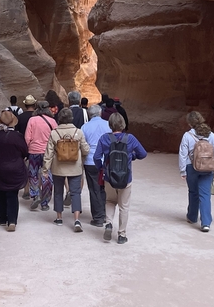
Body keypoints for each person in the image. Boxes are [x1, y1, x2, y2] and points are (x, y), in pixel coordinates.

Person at [93, 112, 147, 244]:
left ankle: (109, 223)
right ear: (123, 124)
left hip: (109, 177)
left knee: (110, 201)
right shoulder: (131, 138)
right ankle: (122, 235)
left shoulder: (104, 138)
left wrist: (102, 168)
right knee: (124, 206)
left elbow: (96, 157)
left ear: (110, 125)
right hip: (125, 178)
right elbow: (143, 154)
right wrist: (131, 157)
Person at [43, 108, 90, 232]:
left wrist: (45, 169)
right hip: (75, 167)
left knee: (58, 192)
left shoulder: (54, 133)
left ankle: (59, 217)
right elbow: (85, 149)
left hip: (58, 168)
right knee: (75, 193)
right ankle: (76, 219)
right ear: (71, 118)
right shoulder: (78, 132)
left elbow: (49, 153)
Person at [179, 111, 214, 233]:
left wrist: (182, 170)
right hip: (207, 167)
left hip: (191, 167)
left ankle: (192, 217)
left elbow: (183, 154)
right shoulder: (210, 135)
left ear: (189, 123)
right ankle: (206, 222)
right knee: (205, 194)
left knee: (193, 192)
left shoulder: (187, 135)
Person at [24, 100, 57, 211]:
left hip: (34, 151)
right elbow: (56, 137)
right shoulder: (52, 121)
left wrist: (27, 149)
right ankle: (45, 202)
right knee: (47, 176)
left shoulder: (32, 120)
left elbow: (27, 137)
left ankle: (35, 194)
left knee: (33, 174)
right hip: (48, 153)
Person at [81, 104, 110, 226]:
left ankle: (98, 217)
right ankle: (105, 214)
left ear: (89, 114)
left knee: (94, 189)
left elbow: (83, 145)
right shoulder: (108, 124)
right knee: (105, 188)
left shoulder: (85, 127)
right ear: (100, 113)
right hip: (106, 161)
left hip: (90, 161)